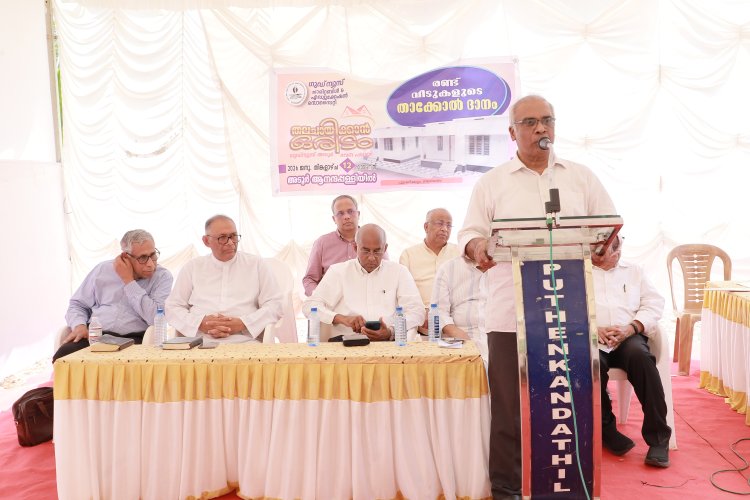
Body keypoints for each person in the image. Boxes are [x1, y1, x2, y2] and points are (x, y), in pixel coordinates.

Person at [457, 95, 617, 499]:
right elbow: (470, 235)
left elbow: (609, 230)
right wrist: (478, 247)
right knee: (509, 409)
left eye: (547, 120)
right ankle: (507, 488)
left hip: (571, 315)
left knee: (570, 403)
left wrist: (610, 250)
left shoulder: (581, 178)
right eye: (529, 122)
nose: (541, 128)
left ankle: (570, 481)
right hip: (510, 315)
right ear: (512, 133)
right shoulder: (492, 183)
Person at [592, 235, 671, 467]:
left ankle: (659, 439)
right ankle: (606, 431)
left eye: (604, 254)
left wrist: (632, 327)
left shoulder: (634, 271)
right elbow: (566, 307)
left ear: (618, 252)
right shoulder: (578, 271)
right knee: (591, 365)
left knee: (642, 358)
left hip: (628, 335)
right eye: (595, 252)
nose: (597, 257)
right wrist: (591, 329)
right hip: (593, 337)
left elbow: (654, 303)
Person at [54, 229, 173, 362]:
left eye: (153, 255)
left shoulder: (163, 277)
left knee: (122, 363)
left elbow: (155, 317)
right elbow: (78, 304)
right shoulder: (102, 269)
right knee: (63, 356)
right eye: (143, 258)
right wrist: (79, 325)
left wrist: (129, 281)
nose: (150, 264)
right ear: (126, 257)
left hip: (135, 340)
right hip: (95, 336)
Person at [165, 215, 283, 343]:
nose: (230, 243)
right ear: (206, 241)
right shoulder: (193, 267)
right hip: (198, 341)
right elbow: (173, 306)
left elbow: (275, 304)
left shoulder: (256, 265)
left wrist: (244, 323)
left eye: (234, 236)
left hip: (245, 340)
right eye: (222, 238)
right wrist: (199, 323)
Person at [303, 224, 424, 342]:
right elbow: (310, 306)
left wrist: (391, 331)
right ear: (355, 247)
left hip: (388, 342)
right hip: (346, 343)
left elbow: (417, 311)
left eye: (377, 251)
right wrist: (341, 319)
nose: (371, 257)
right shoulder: (338, 272)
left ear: (385, 248)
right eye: (366, 251)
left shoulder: (399, 272)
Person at [400, 208, 459, 334]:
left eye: (449, 225)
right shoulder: (408, 255)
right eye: (440, 223)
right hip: (421, 324)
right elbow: (404, 294)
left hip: (455, 322)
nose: (445, 229)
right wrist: (423, 311)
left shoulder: (459, 254)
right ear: (426, 227)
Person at [431, 255, 488, 363]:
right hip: (461, 341)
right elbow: (438, 312)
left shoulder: (507, 267)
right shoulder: (448, 268)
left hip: (500, 342)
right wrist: (456, 332)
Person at [302, 195, 360, 296]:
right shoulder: (322, 243)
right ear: (334, 219)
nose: (346, 216)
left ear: (358, 214)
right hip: (331, 302)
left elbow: (385, 274)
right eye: (340, 213)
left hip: (366, 301)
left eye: (350, 211)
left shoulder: (374, 238)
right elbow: (310, 279)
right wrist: (320, 298)